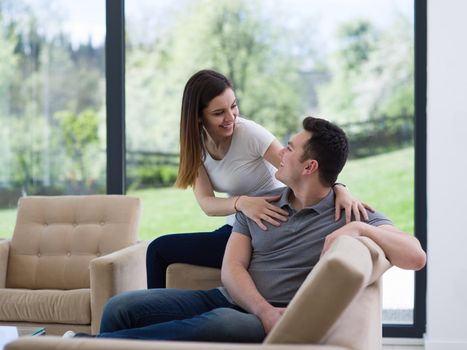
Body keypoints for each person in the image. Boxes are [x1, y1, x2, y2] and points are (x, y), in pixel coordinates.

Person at [67, 116, 426, 341]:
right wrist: (260, 309)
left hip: (273, 313)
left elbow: (415, 256)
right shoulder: (261, 204)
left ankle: (89, 345)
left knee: (221, 324)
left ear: (309, 166)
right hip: (235, 300)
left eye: (289, 148)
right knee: (120, 308)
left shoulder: (348, 212)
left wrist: (361, 231)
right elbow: (232, 267)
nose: (280, 154)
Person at [146, 69, 370, 288]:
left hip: (270, 228)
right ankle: (158, 314)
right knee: (158, 250)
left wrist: (340, 187)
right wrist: (241, 203)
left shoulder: (250, 133)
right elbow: (207, 203)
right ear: (197, 117)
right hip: (239, 228)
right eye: (218, 113)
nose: (231, 117)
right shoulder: (195, 147)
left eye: (233, 106)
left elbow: (299, 168)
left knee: (158, 249)